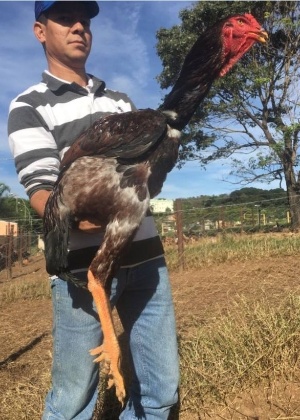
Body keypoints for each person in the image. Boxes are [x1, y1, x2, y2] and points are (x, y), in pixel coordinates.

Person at [8, 2, 179, 419]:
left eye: (85, 19)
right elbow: (42, 190)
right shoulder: (29, 106)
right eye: (65, 18)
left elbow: (144, 173)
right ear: (39, 31)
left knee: (161, 389)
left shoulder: (122, 102)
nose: (79, 26)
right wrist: (84, 216)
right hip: (82, 270)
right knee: (72, 401)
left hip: (146, 259)